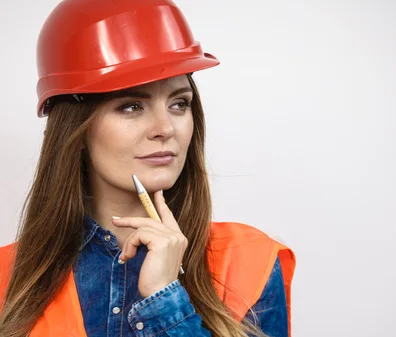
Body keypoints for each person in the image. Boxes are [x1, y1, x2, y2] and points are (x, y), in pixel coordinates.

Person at [0, 0, 295, 336]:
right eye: (131, 106)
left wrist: (165, 301)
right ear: (76, 128)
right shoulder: (9, 277)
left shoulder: (246, 262)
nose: (165, 128)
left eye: (179, 103)